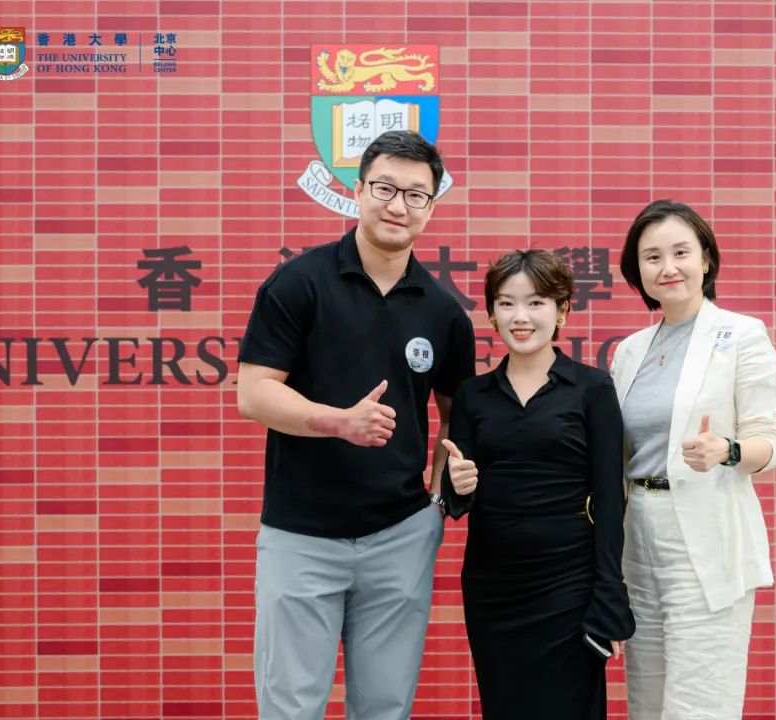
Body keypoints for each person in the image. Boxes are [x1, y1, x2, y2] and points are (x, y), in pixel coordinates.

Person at [236, 130, 475, 720]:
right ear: (358, 190)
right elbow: (254, 393)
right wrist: (337, 422)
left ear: (431, 206)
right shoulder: (300, 282)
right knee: (290, 706)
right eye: (385, 188)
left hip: (401, 536)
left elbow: (456, 416)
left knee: (385, 707)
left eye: (416, 195)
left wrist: (436, 504)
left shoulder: (444, 312)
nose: (398, 206)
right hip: (301, 534)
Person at [440, 249, 635, 720]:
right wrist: (458, 484)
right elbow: (456, 497)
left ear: (562, 309)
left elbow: (611, 498)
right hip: (494, 587)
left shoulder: (591, 388)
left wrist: (609, 591)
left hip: (570, 581)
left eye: (535, 303)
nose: (520, 317)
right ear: (492, 313)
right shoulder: (472, 394)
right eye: (506, 304)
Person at [611, 200, 776, 720]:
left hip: (705, 538)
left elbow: (768, 441)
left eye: (681, 252)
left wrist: (727, 450)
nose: (668, 267)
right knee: (646, 701)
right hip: (637, 536)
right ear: (637, 270)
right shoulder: (630, 350)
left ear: (705, 258)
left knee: (699, 704)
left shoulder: (742, 334)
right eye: (652, 257)